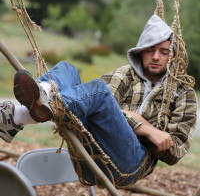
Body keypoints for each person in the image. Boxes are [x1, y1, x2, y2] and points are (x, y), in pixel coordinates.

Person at [0, 14, 197, 186]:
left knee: (99, 93)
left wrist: (149, 133)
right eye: (150, 50)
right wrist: (144, 127)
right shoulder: (125, 75)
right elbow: (98, 106)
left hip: (130, 164)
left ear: (173, 56)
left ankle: (20, 115)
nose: (155, 57)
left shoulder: (183, 92)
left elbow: (176, 151)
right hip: (88, 156)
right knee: (67, 68)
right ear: (140, 51)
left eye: (164, 52)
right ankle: (40, 102)